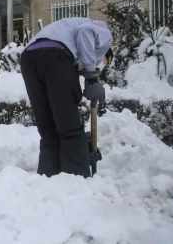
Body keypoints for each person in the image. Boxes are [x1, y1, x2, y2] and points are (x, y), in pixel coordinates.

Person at [20, 18, 112, 178]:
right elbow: (85, 32)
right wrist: (91, 76)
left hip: (29, 58)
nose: (100, 64)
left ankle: (48, 180)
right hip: (55, 56)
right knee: (69, 128)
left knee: (48, 131)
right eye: (103, 62)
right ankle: (76, 182)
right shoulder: (103, 32)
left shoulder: (66, 27)